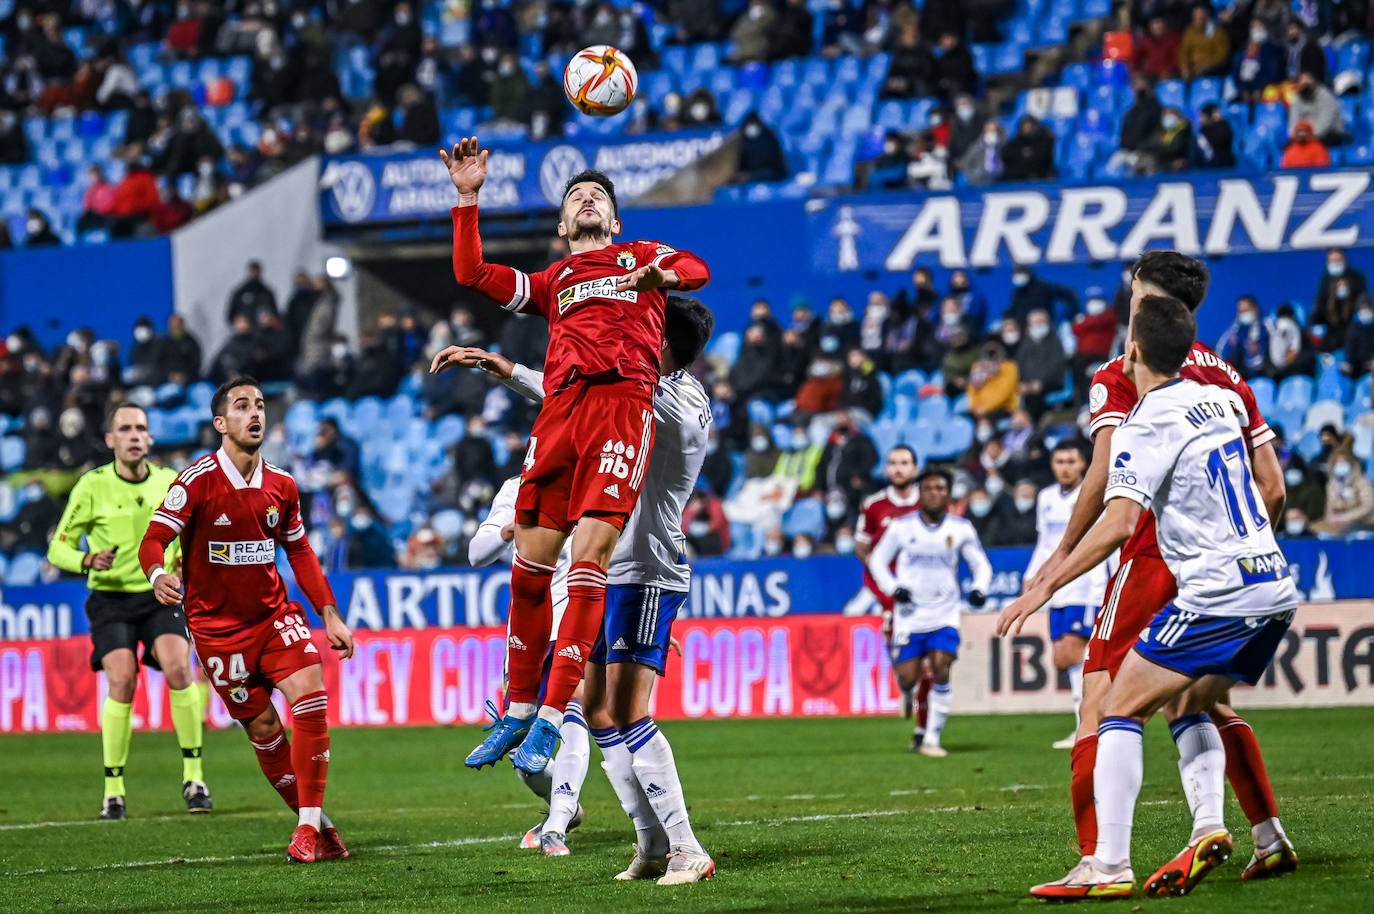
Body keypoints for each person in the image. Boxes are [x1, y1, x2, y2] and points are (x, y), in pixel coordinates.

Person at [1001, 294, 1299, 899]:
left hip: (1214, 592)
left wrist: (1047, 582)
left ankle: (1107, 864)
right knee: (1192, 703)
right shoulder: (1222, 393)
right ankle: (1248, 834)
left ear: (1132, 347)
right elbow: (1273, 488)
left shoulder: (1143, 418)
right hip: (1273, 582)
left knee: (1116, 705)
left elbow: (1117, 520)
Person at [435, 137, 709, 777]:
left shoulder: (640, 256)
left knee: (588, 561)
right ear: (562, 227)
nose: (587, 199)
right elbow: (472, 275)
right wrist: (468, 199)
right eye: (576, 197)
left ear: (614, 221)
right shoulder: (554, 280)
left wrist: (660, 277)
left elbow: (696, 268)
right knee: (530, 566)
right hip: (559, 413)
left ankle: (555, 716)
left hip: (621, 407)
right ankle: (522, 705)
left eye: (599, 198)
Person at [451, 294, 718, 883]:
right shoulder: (675, 390)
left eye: (641, 327)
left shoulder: (662, 399)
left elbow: (584, 399)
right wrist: (510, 370)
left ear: (662, 344)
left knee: (627, 709)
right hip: (615, 569)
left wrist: (517, 373)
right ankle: (650, 846)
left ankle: (686, 847)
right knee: (597, 710)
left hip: (643, 570)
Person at [138, 377, 356, 863]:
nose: (255, 413)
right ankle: (319, 822)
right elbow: (153, 540)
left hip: (274, 617)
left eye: (259, 404)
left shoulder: (282, 485)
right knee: (263, 729)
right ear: (221, 423)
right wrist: (156, 573)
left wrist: (329, 614)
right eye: (242, 406)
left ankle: (303, 828)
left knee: (311, 695)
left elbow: (298, 550)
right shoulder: (196, 481)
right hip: (217, 632)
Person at [46, 402, 211, 819]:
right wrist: (86, 561)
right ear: (111, 439)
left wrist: (180, 563)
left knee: (179, 670)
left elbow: (193, 535)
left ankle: (194, 778)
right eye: (125, 428)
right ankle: (114, 790)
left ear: (150, 438)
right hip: (112, 599)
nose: (135, 435)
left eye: (141, 428)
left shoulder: (171, 483)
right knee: (122, 679)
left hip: (158, 594)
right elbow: (57, 548)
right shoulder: (91, 486)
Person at [866, 469, 992, 758]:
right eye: (929, 488)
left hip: (945, 613)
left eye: (940, 488)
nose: (935, 493)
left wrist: (979, 588)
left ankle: (932, 738)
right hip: (910, 615)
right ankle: (910, 692)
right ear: (920, 494)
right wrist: (893, 587)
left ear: (948, 494)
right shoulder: (901, 527)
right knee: (907, 678)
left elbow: (981, 565)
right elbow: (877, 561)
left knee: (941, 666)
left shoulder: (961, 528)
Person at [1025, 440, 1109, 749]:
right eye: (1059, 461)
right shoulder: (1046, 498)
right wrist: (1030, 576)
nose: (1065, 466)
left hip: (1086, 585)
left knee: (1074, 654)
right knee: (1063, 658)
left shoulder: (1093, 495)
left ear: (1083, 464)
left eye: (1070, 461)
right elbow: (1045, 543)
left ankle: (1087, 726)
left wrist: (1105, 580)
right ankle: (1091, 722)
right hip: (1057, 587)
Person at [855, 446, 931, 747]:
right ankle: (907, 688)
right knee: (906, 672)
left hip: (926, 598)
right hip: (891, 600)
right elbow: (861, 546)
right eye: (893, 463)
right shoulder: (874, 506)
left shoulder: (928, 502)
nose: (899, 468)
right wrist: (881, 573)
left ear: (915, 468)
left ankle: (923, 731)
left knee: (929, 665)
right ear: (887, 469)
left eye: (905, 463)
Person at [1215, 295, 1271, 378]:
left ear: (1255, 309)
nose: (1243, 314)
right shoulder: (1235, 328)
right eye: (1240, 312)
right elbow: (1220, 349)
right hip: (1245, 374)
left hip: (1267, 372)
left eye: (1246, 310)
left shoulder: (1267, 324)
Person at [226, 260, 277, 326]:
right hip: (245, 332)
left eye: (257, 271)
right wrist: (240, 322)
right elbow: (230, 315)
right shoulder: (240, 292)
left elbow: (275, 314)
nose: (255, 273)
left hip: (264, 332)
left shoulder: (267, 293)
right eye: (253, 271)